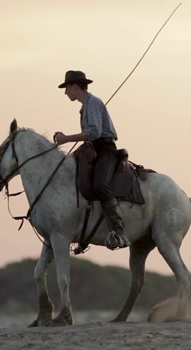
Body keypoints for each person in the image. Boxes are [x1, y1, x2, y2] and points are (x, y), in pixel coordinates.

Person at [54, 70, 131, 250]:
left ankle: (120, 232)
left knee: (99, 185)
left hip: (105, 150)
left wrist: (66, 139)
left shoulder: (93, 103)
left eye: (67, 88)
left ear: (75, 86)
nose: (66, 93)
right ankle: (85, 233)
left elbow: (95, 132)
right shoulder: (85, 105)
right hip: (94, 150)